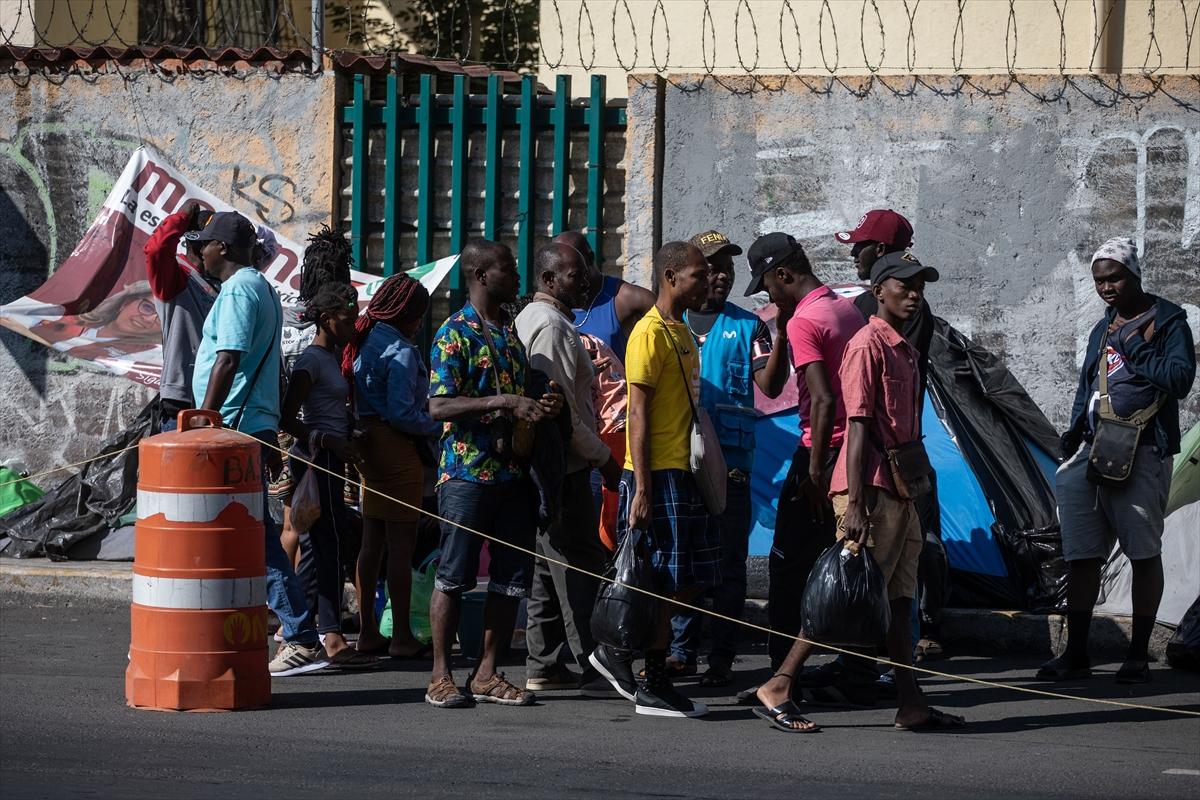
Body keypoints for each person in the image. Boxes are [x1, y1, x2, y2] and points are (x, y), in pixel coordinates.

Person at [754, 251, 965, 733]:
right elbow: (857, 425)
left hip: (902, 488)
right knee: (843, 593)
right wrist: (855, 505)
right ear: (878, 292)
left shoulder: (906, 348)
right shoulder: (868, 344)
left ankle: (911, 703)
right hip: (869, 487)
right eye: (903, 285)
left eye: (920, 286)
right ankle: (781, 682)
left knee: (897, 600)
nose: (914, 294)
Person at [1038, 237, 1196, 684]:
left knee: (1143, 552)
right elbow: (1086, 385)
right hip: (1091, 450)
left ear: (1134, 275)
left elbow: (1179, 380)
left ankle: (1138, 656)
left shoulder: (1167, 321)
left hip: (1143, 450)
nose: (1106, 287)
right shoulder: (1103, 326)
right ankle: (1076, 654)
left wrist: (1135, 347)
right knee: (1082, 555)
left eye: (1115, 278)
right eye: (1099, 281)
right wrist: (1072, 436)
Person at [425, 240, 564, 709]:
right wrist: (504, 402)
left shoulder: (508, 332)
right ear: (482, 275)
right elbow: (439, 405)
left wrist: (539, 405)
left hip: (512, 476)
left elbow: (521, 397)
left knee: (510, 580)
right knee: (453, 576)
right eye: (508, 268)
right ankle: (440, 676)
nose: (517, 276)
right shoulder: (454, 333)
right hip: (467, 474)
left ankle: (486, 673)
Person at [187, 211, 327, 677]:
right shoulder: (257, 286)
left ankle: (302, 635)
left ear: (221, 248)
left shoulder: (240, 288)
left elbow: (228, 358)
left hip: (233, 425)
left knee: (252, 537)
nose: (199, 252)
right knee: (239, 532)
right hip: (249, 423)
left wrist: (204, 420)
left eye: (203, 244)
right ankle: (210, 625)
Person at [590, 241, 715, 719]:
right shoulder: (649, 333)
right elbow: (636, 414)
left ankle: (637, 664)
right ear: (670, 276)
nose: (706, 283)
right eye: (697, 275)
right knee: (658, 577)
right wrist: (641, 488)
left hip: (679, 471)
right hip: (653, 474)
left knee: (685, 579)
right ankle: (644, 674)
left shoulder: (681, 331)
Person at [662, 230, 790, 687]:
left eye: (728, 268)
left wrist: (785, 338)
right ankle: (681, 651)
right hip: (678, 461)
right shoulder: (666, 325)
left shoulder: (748, 326)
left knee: (729, 567)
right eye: (713, 267)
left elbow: (770, 387)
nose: (721, 276)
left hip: (731, 466)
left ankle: (721, 658)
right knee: (682, 560)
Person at [744, 233, 866, 674]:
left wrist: (814, 473)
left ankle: (781, 672)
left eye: (768, 286)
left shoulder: (805, 320)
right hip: (853, 450)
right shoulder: (843, 308)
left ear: (783, 274)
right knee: (839, 561)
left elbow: (824, 399)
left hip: (821, 452)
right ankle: (851, 666)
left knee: (788, 566)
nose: (769, 295)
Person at [515, 243, 624, 693]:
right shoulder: (552, 327)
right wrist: (602, 457)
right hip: (565, 465)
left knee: (549, 561)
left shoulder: (533, 321)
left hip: (553, 463)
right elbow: (560, 410)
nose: (587, 281)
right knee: (582, 563)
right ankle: (591, 663)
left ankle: (543, 662)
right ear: (549, 280)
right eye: (576, 275)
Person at [278, 282, 377, 669]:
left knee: (328, 546)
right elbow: (289, 417)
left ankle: (316, 631)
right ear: (324, 320)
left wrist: (349, 430)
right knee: (323, 547)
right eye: (346, 320)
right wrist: (327, 440)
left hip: (332, 460)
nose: (352, 327)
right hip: (316, 462)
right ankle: (319, 636)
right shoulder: (311, 361)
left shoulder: (332, 358)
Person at [344, 273, 440, 659]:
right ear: (408, 314)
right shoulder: (400, 350)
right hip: (397, 450)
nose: (420, 324)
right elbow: (403, 413)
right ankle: (400, 636)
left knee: (372, 545)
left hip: (369, 445)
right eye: (419, 316)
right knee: (400, 549)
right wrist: (438, 423)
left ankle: (368, 632)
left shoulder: (367, 339)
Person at [143, 200, 220, 432]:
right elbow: (155, 250)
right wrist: (182, 218)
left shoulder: (223, 282)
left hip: (216, 395)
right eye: (218, 242)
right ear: (200, 245)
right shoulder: (176, 276)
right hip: (183, 398)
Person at [560, 230, 655, 363]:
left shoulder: (625, 298)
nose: (564, 273)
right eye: (559, 267)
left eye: (572, 265)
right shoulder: (555, 304)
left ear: (589, 258)